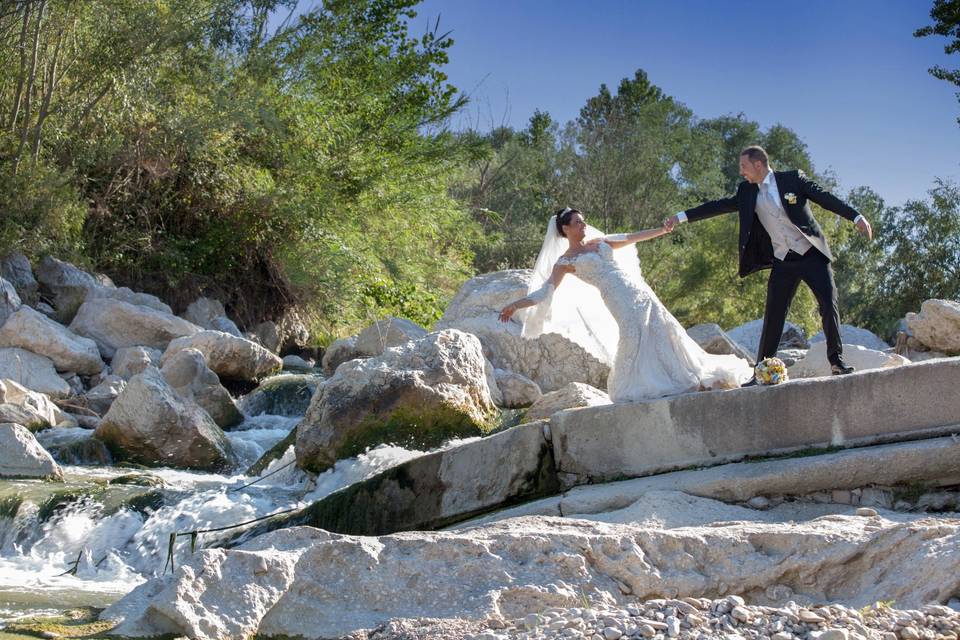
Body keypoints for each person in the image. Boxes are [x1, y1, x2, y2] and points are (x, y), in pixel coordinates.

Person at [664, 145, 873, 385]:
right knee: (773, 315)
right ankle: (760, 371)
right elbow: (717, 206)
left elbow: (826, 198)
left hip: (811, 255)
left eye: (743, 166)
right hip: (783, 260)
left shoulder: (793, 180)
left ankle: (836, 361)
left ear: (758, 164)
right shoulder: (746, 192)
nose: (741, 172)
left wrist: (856, 216)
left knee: (828, 304)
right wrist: (681, 217)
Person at [499, 207, 752, 402]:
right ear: (565, 229)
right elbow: (545, 291)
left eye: (583, 220)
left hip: (639, 291)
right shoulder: (565, 261)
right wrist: (516, 305)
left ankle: (680, 376)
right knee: (632, 334)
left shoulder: (600, 243)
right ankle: (637, 385)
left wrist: (662, 230)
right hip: (617, 298)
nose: (584, 224)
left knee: (663, 329)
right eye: (578, 222)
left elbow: (633, 237)